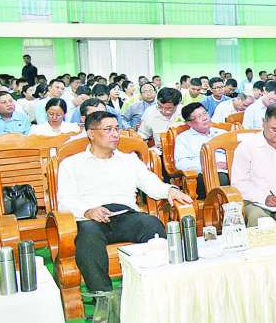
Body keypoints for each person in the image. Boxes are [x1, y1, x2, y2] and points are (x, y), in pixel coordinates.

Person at [57, 111, 193, 295]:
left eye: (117, 129)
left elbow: (151, 184)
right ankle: (104, 296)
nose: (115, 134)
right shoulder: (72, 164)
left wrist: (170, 190)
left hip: (126, 215)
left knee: (152, 224)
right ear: (91, 133)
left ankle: (160, 289)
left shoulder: (129, 160)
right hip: (91, 219)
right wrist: (88, 211)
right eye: (108, 129)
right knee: (88, 238)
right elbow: (65, 200)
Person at [174, 103, 228, 197]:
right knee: (221, 179)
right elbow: (181, 164)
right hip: (204, 174)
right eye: (199, 116)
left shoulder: (223, 133)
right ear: (189, 123)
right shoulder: (183, 138)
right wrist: (210, 165)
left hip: (231, 169)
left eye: (205, 113)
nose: (205, 118)